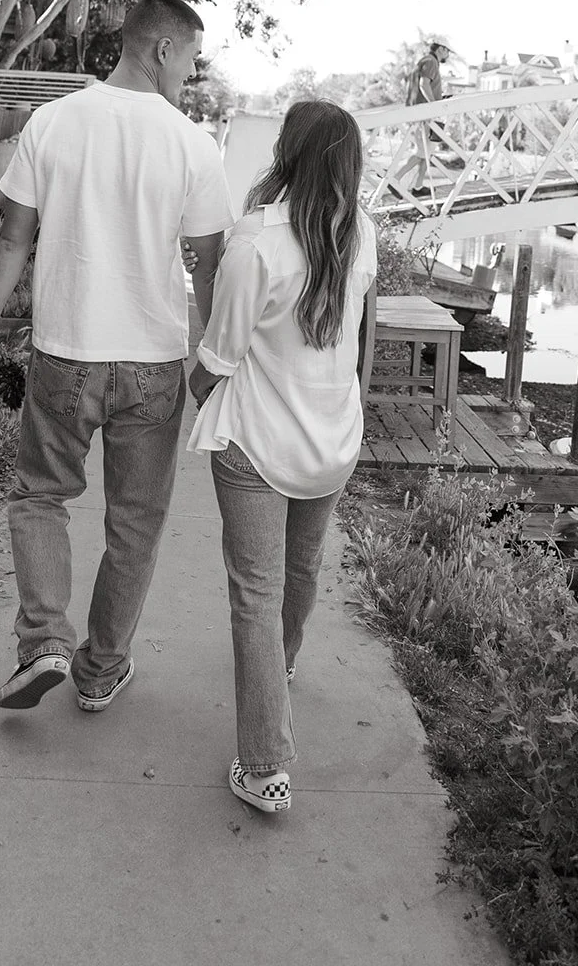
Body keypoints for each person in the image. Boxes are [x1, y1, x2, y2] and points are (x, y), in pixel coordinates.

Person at [0, 0, 235, 712]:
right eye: (191, 57)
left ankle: (45, 641)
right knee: (135, 521)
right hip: (150, 361)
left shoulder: (53, 122)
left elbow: (13, 239)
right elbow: (208, 263)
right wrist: (211, 356)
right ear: (161, 49)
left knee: (39, 498)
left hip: (65, 353)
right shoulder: (191, 144)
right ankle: (99, 668)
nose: (192, 74)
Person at [187, 101, 378, 814]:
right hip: (331, 440)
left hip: (259, 445)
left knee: (254, 597)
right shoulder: (361, 231)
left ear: (286, 153)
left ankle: (264, 766)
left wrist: (191, 389)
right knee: (300, 569)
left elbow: (218, 355)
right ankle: (283, 665)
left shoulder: (257, 242)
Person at [400, 35, 453, 194]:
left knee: (427, 152)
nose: (448, 55)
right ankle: (394, 178)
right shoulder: (430, 62)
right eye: (448, 51)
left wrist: (438, 98)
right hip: (424, 114)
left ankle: (417, 186)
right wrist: (434, 105)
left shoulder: (426, 61)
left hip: (422, 113)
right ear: (441, 49)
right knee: (422, 153)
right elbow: (424, 84)